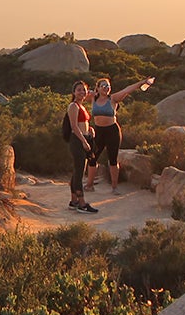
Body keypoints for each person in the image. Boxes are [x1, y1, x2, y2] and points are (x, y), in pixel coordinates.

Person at [86, 75, 155, 195]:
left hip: (112, 131)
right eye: (103, 86)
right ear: (97, 88)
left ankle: (114, 187)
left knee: (112, 159)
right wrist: (88, 92)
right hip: (99, 131)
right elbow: (79, 94)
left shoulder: (113, 98)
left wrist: (142, 82)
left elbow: (127, 89)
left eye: (108, 86)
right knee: (92, 158)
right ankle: (89, 185)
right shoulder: (93, 98)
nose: (106, 88)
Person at [64, 80, 99, 213]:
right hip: (77, 140)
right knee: (79, 172)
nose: (82, 92)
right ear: (74, 92)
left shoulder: (81, 106)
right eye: (79, 90)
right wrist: (83, 141)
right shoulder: (73, 106)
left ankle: (74, 200)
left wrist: (89, 129)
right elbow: (73, 126)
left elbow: (81, 123)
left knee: (77, 170)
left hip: (83, 138)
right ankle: (82, 203)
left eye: (84, 90)